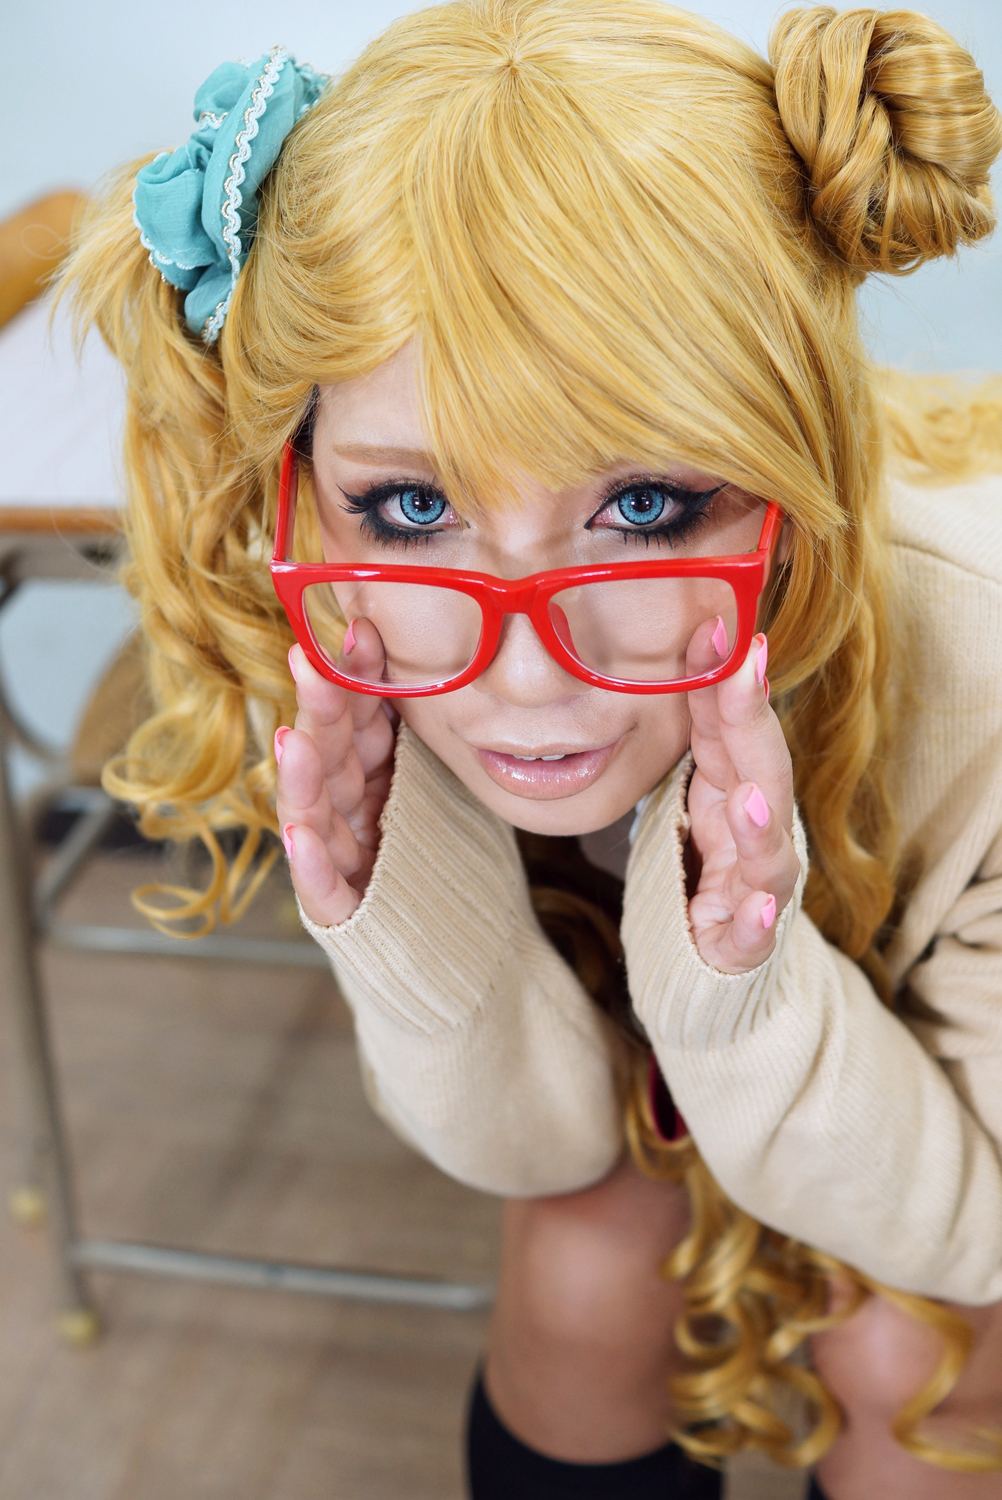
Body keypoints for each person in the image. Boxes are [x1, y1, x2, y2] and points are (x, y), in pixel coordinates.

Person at [62, 2, 1002, 1494]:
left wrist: (736, 981)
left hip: (935, 1133)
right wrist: (406, 901)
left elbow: (974, 1223)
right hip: (666, 1091)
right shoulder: (343, 634)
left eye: (644, 506)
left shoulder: (981, 674)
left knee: (911, 1363)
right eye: (414, 507)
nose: (519, 676)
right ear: (308, 483)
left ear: (791, 463)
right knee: (582, 1256)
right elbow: (530, 1149)